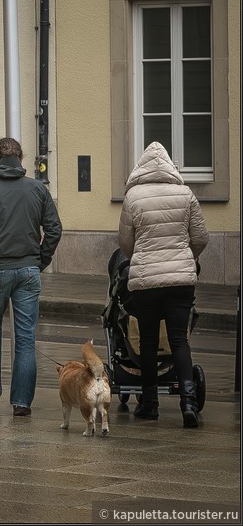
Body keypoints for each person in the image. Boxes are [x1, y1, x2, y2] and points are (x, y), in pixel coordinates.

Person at [0, 137, 62, 417]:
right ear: (21, 158)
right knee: (26, 338)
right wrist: (40, 260)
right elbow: (54, 229)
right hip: (28, 270)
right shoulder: (37, 189)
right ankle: (21, 402)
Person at [118, 141, 208, 428]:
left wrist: (140, 258)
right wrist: (185, 258)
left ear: (141, 168)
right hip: (181, 280)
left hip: (146, 281)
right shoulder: (185, 193)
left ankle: (150, 404)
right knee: (179, 340)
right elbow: (201, 238)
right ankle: (188, 402)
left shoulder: (133, 197)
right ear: (170, 166)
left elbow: (125, 243)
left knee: (146, 341)